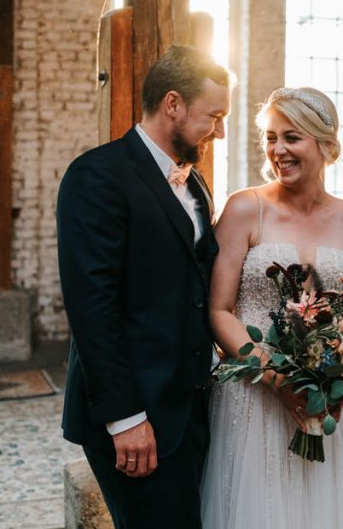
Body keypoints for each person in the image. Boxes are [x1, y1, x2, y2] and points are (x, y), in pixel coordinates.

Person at [57, 44, 231, 529]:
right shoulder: (96, 176)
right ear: (172, 104)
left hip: (188, 406)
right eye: (213, 116)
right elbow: (91, 307)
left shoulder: (194, 185)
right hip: (135, 415)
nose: (219, 130)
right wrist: (126, 418)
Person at [201, 87, 343, 527]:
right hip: (253, 399)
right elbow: (219, 311)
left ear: (325, 144)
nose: (277, 150)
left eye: (292, 137)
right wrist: (278, 378)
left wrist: (337, 378)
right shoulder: (246, 209)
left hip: (323, 403)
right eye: (270, 137)